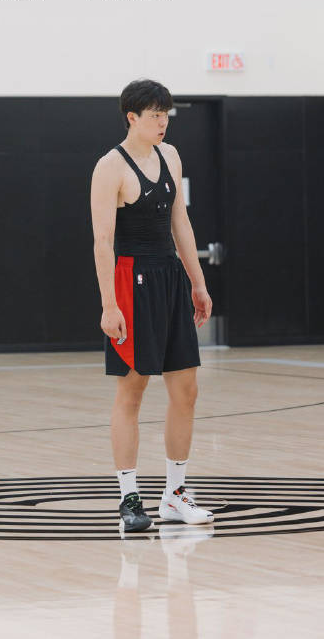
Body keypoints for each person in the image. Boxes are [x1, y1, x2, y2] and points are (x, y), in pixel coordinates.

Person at [90, 79, 214, 532]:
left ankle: (175, 495)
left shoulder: (171, 156)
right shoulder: (110, 167)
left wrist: (198, 283)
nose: (163, 122)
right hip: (131, 282)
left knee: (186, 390)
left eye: (166, 114)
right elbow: (102, 242)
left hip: (170, 278)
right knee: (133, 391)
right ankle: (129, 499)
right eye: (155, 115)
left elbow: (181, 223)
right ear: (132, 117)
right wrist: (109, 306)